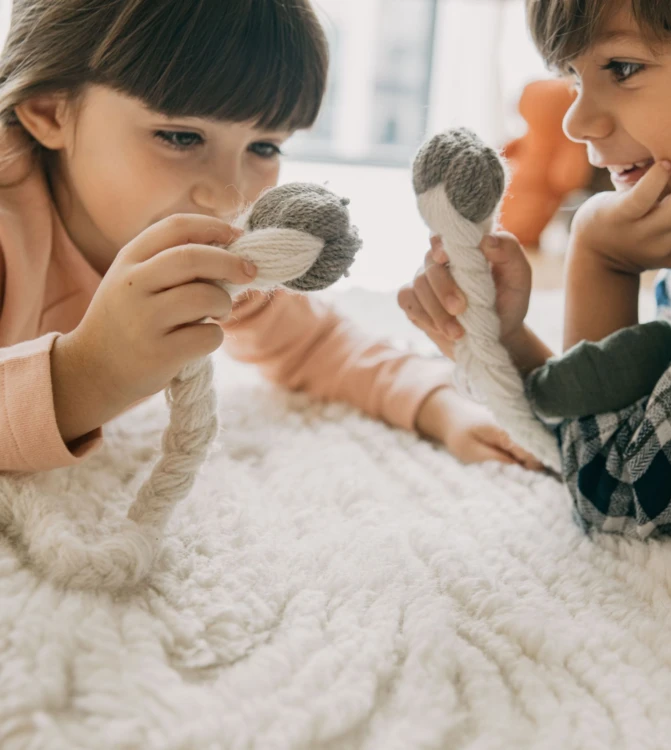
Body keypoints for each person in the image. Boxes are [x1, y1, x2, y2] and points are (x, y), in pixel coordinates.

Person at [0, 0, 542, 474]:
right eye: (180, 136)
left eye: (264, 148)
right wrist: (88, 375)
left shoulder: (213, 256)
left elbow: (315, 345)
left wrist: (439, 406)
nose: (230, 194)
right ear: (51, 111)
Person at [399, 0, 671, 537]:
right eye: (571, 75)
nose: (575, 121)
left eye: (623, 68)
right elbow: (637, 429)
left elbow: (618, 496)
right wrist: (509, 343)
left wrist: (602, 261)